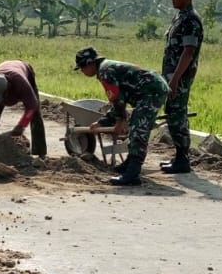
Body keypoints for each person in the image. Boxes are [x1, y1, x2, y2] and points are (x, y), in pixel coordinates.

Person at [72, 46, 168, 187]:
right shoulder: (105, 68)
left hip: (151, 91)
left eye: (82, 68)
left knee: (138, 129)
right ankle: (129, 164)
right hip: (147, 90)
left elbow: (117, 100)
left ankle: (132, 174)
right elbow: (118, 101)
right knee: (137, 124)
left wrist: (120, 121)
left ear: (90, 64)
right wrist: (102, 122)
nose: (82, 71)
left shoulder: (105, 72)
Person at [159, 0, 203, 173]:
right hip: (172, 75)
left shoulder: (191, 20)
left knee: (177, 114)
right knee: (173, 112)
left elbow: (188, 51)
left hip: (181, 77)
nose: (173, 0)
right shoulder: (180, 17)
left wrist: (176, 78)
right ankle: (179, 156)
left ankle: (183, 159)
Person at [0, 59, 47, 156]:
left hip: (22, 69)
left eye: (1, 96)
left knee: (35, 115)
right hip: (5, 67)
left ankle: (39, 152)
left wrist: (21, 126)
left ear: (7, 89)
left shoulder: (21, 83)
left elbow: (32, 106)